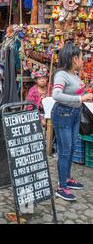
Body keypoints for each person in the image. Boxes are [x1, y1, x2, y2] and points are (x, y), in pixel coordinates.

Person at [52, 42, 93, 201]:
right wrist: (80, 98)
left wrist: (84, 94)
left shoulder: (74, 74)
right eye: (82, 58)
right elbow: (56, 95)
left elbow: (76, 90)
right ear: (74, 58)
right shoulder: (61, 75)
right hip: (63, 114)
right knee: (65, 150)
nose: (83, 60)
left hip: (74, 113)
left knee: (70, 148)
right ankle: (61, 187)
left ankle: (67, 179)